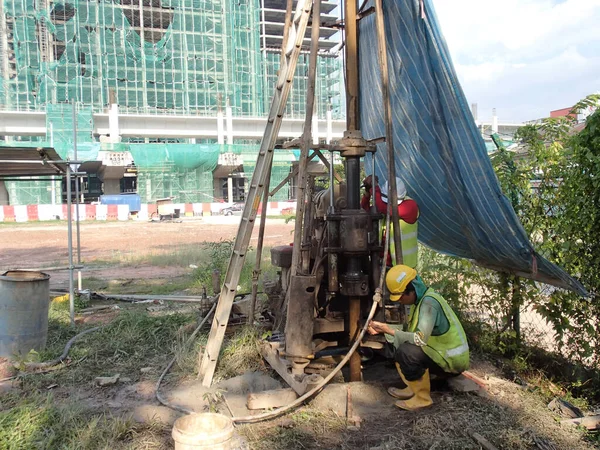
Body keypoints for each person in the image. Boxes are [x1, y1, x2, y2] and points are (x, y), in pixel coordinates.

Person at [367, 265, 469, 411]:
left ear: (413, 289)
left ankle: (422, 399)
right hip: (438, 353)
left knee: (406, 352)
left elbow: (419, 339)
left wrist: (388, 330)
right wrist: (384, 330)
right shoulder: (420, 301)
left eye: (402, 295)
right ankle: (412, 388)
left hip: (451, 361)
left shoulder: (429, 304)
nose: (400, 300)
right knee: (398, 344)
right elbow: (410, 332)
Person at [361, 175, 419, 268]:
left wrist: (374, 187)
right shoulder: (384, 205)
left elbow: (386, 209)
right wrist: (367, 193)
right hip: (382, 263)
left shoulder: (410, 206)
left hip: (403, 266)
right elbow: (365, 211)